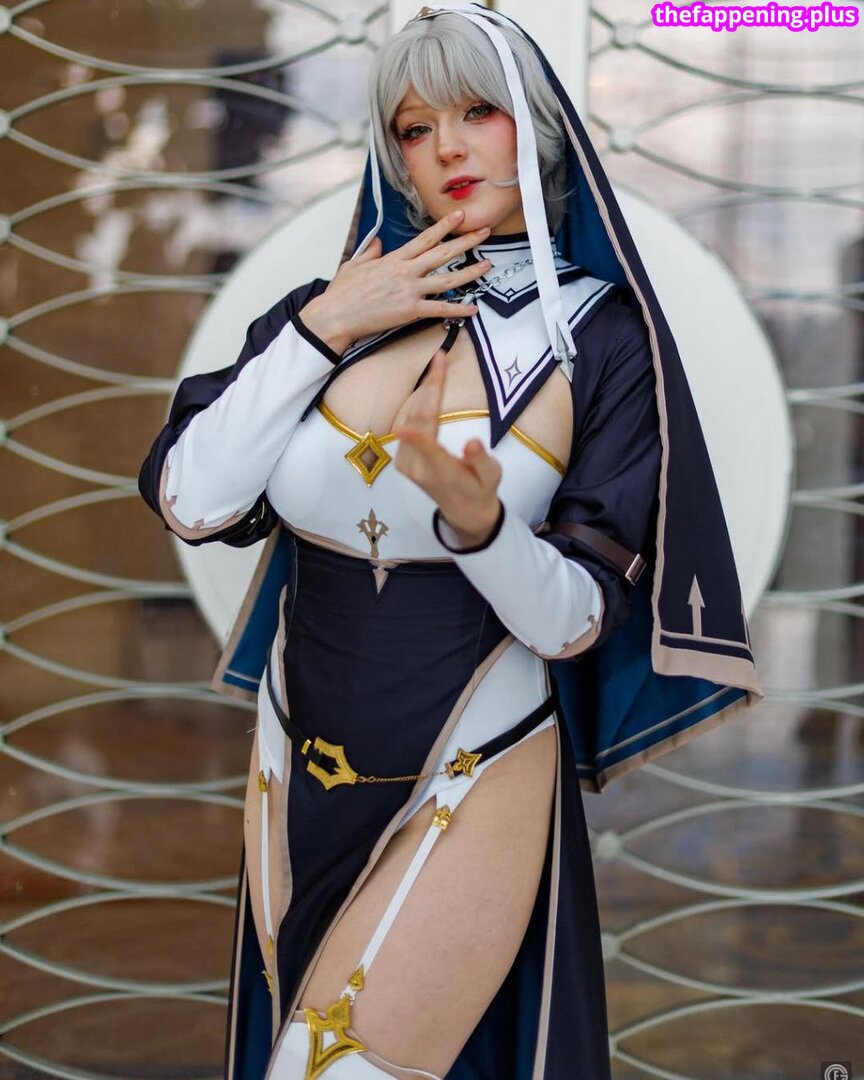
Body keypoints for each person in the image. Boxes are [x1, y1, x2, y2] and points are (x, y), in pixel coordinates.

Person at [137, 5, 763, 1078]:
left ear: (537, 127)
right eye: (416, 128)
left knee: (339, 1066)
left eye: (478, 112)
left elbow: (575, 619)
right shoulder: (324, 315)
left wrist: (480, 528)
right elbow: (193, 500)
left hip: (483, 756)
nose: (449, 149)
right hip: (297, 758)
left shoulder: (601, 337)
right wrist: (325, 326)